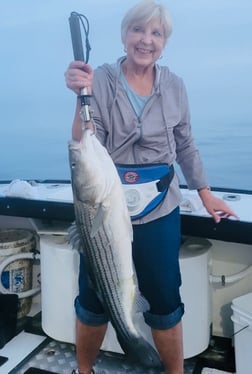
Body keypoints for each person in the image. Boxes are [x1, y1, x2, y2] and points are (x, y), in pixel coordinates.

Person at [65, 1, 238, 373]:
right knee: (94, 298)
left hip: (160, 205)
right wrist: (78, 94)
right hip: (104, 203)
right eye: (138, 31)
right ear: (124, 36)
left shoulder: (175, 86)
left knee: (164, 298)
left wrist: (205, 193)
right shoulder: (104, 79)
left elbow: (186, 144)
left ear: (165, 41)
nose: (146, 40)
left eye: (156, 33)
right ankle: (84, 370)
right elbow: (85, 141)